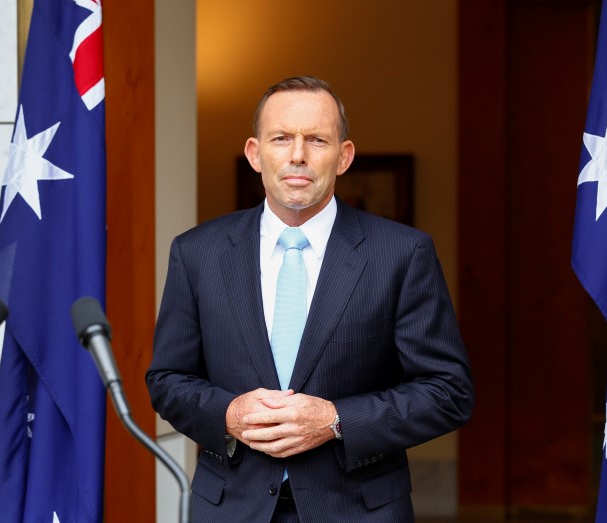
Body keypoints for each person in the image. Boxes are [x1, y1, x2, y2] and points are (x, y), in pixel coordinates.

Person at [146, 76, 474, 523]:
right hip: (230, 510)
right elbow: (167, 379)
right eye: (281, 138)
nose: (297, 155)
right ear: (254, 153)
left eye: (316, 140)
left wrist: (337, 419)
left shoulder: (401, 254)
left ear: (343, 157)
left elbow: (447, 391)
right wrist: (227, 413)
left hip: (360, 512)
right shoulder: (197, 253)